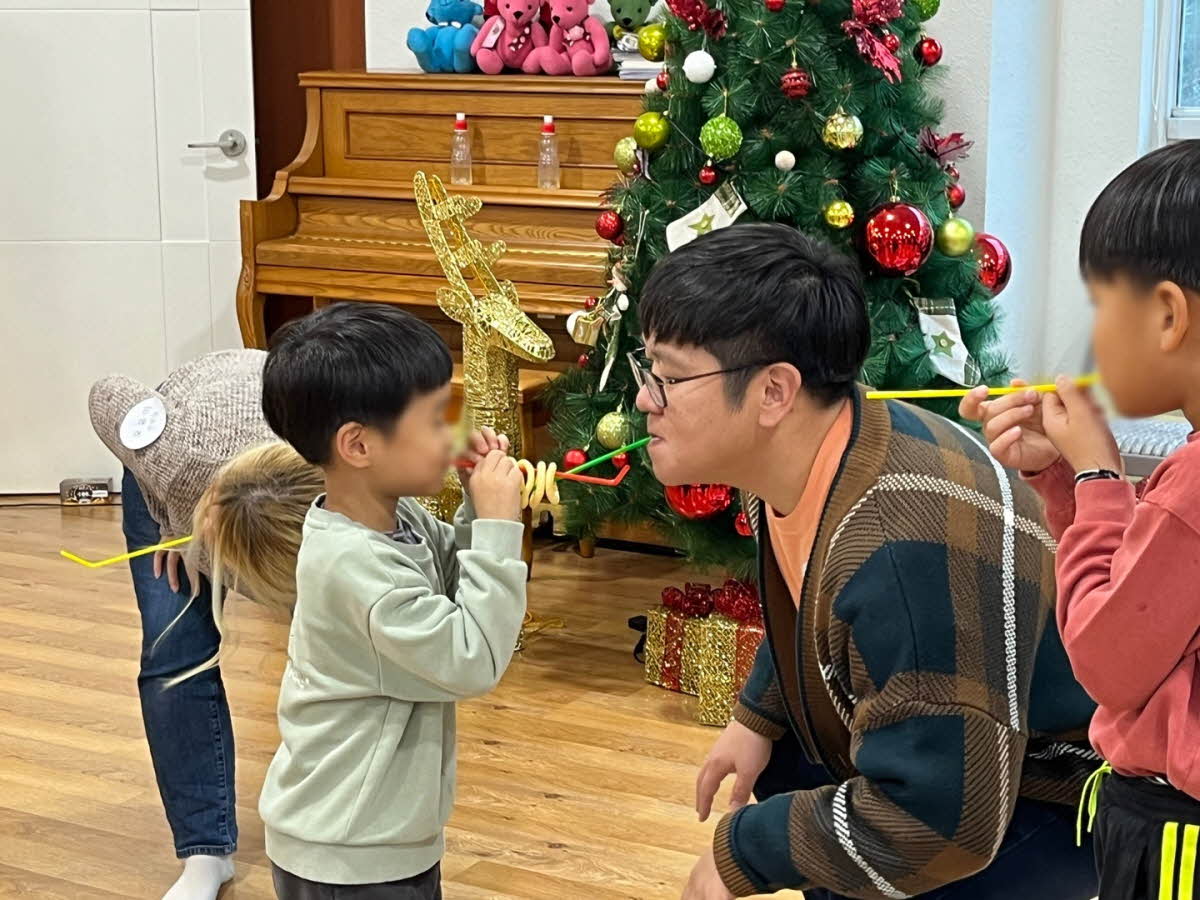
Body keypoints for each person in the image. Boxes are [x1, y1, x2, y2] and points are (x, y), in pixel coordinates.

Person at [628, 223, 1100, 900]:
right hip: (968, 747)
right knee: (786, 762)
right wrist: (755, 715)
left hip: (1056, 789)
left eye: (669, 377)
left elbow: (946, 823)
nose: (645, 399)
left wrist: (743, 851)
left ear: (774, 392)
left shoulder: (898, 547)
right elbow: (807, 604)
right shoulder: (807, 452)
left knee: (838, 818)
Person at [198, 303, 528, 900]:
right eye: (436, 420)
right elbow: (471, 658)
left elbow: (456, 584)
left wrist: (477, 510)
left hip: (376, 838)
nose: (453, 434)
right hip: (348, 855)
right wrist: (501, 526)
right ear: (357, 445)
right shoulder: (356, 570)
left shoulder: (394, 520)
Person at [961, 140, 1200, 900]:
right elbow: (1151, 594)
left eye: (1103, 306)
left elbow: (1108, 661)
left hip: (1178, 832)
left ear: (1168, 315)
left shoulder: (1193, 483)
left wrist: (1097, 473)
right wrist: (1066, 480)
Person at [88, 350, 277, 900]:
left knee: (332, 644)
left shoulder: (309, 465)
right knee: (174, 652)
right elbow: (106, 392)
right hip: (169, 480)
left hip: (271, 467)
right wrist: (171, 523)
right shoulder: (163, 454)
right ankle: (204, 852)